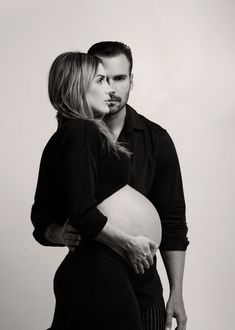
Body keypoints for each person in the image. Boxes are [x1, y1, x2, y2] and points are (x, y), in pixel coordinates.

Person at [32, 42, 189, 330]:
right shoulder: (77, 134)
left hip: (142, 277)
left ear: (132, 80)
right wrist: (58, 232)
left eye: (119, 78)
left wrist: (176, 292)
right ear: (81, 83)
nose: (111, 89)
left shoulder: (155, 139)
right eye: (102, 79)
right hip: (101, 271)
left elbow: (173, 221)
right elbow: (47, 214)